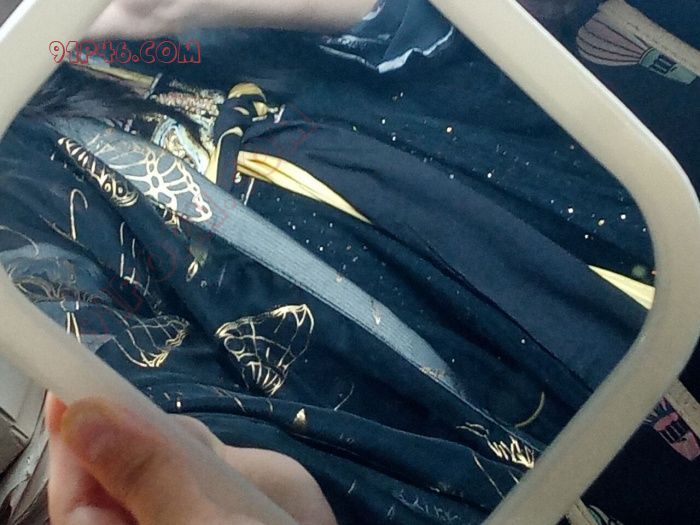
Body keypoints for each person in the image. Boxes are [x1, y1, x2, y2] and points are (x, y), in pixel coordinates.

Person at [1, 0, 698, 523]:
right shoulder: (24, 189)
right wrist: (250, 489)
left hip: (581, 210)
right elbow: (172, 405)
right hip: (463, 405)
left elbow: (501, 33)